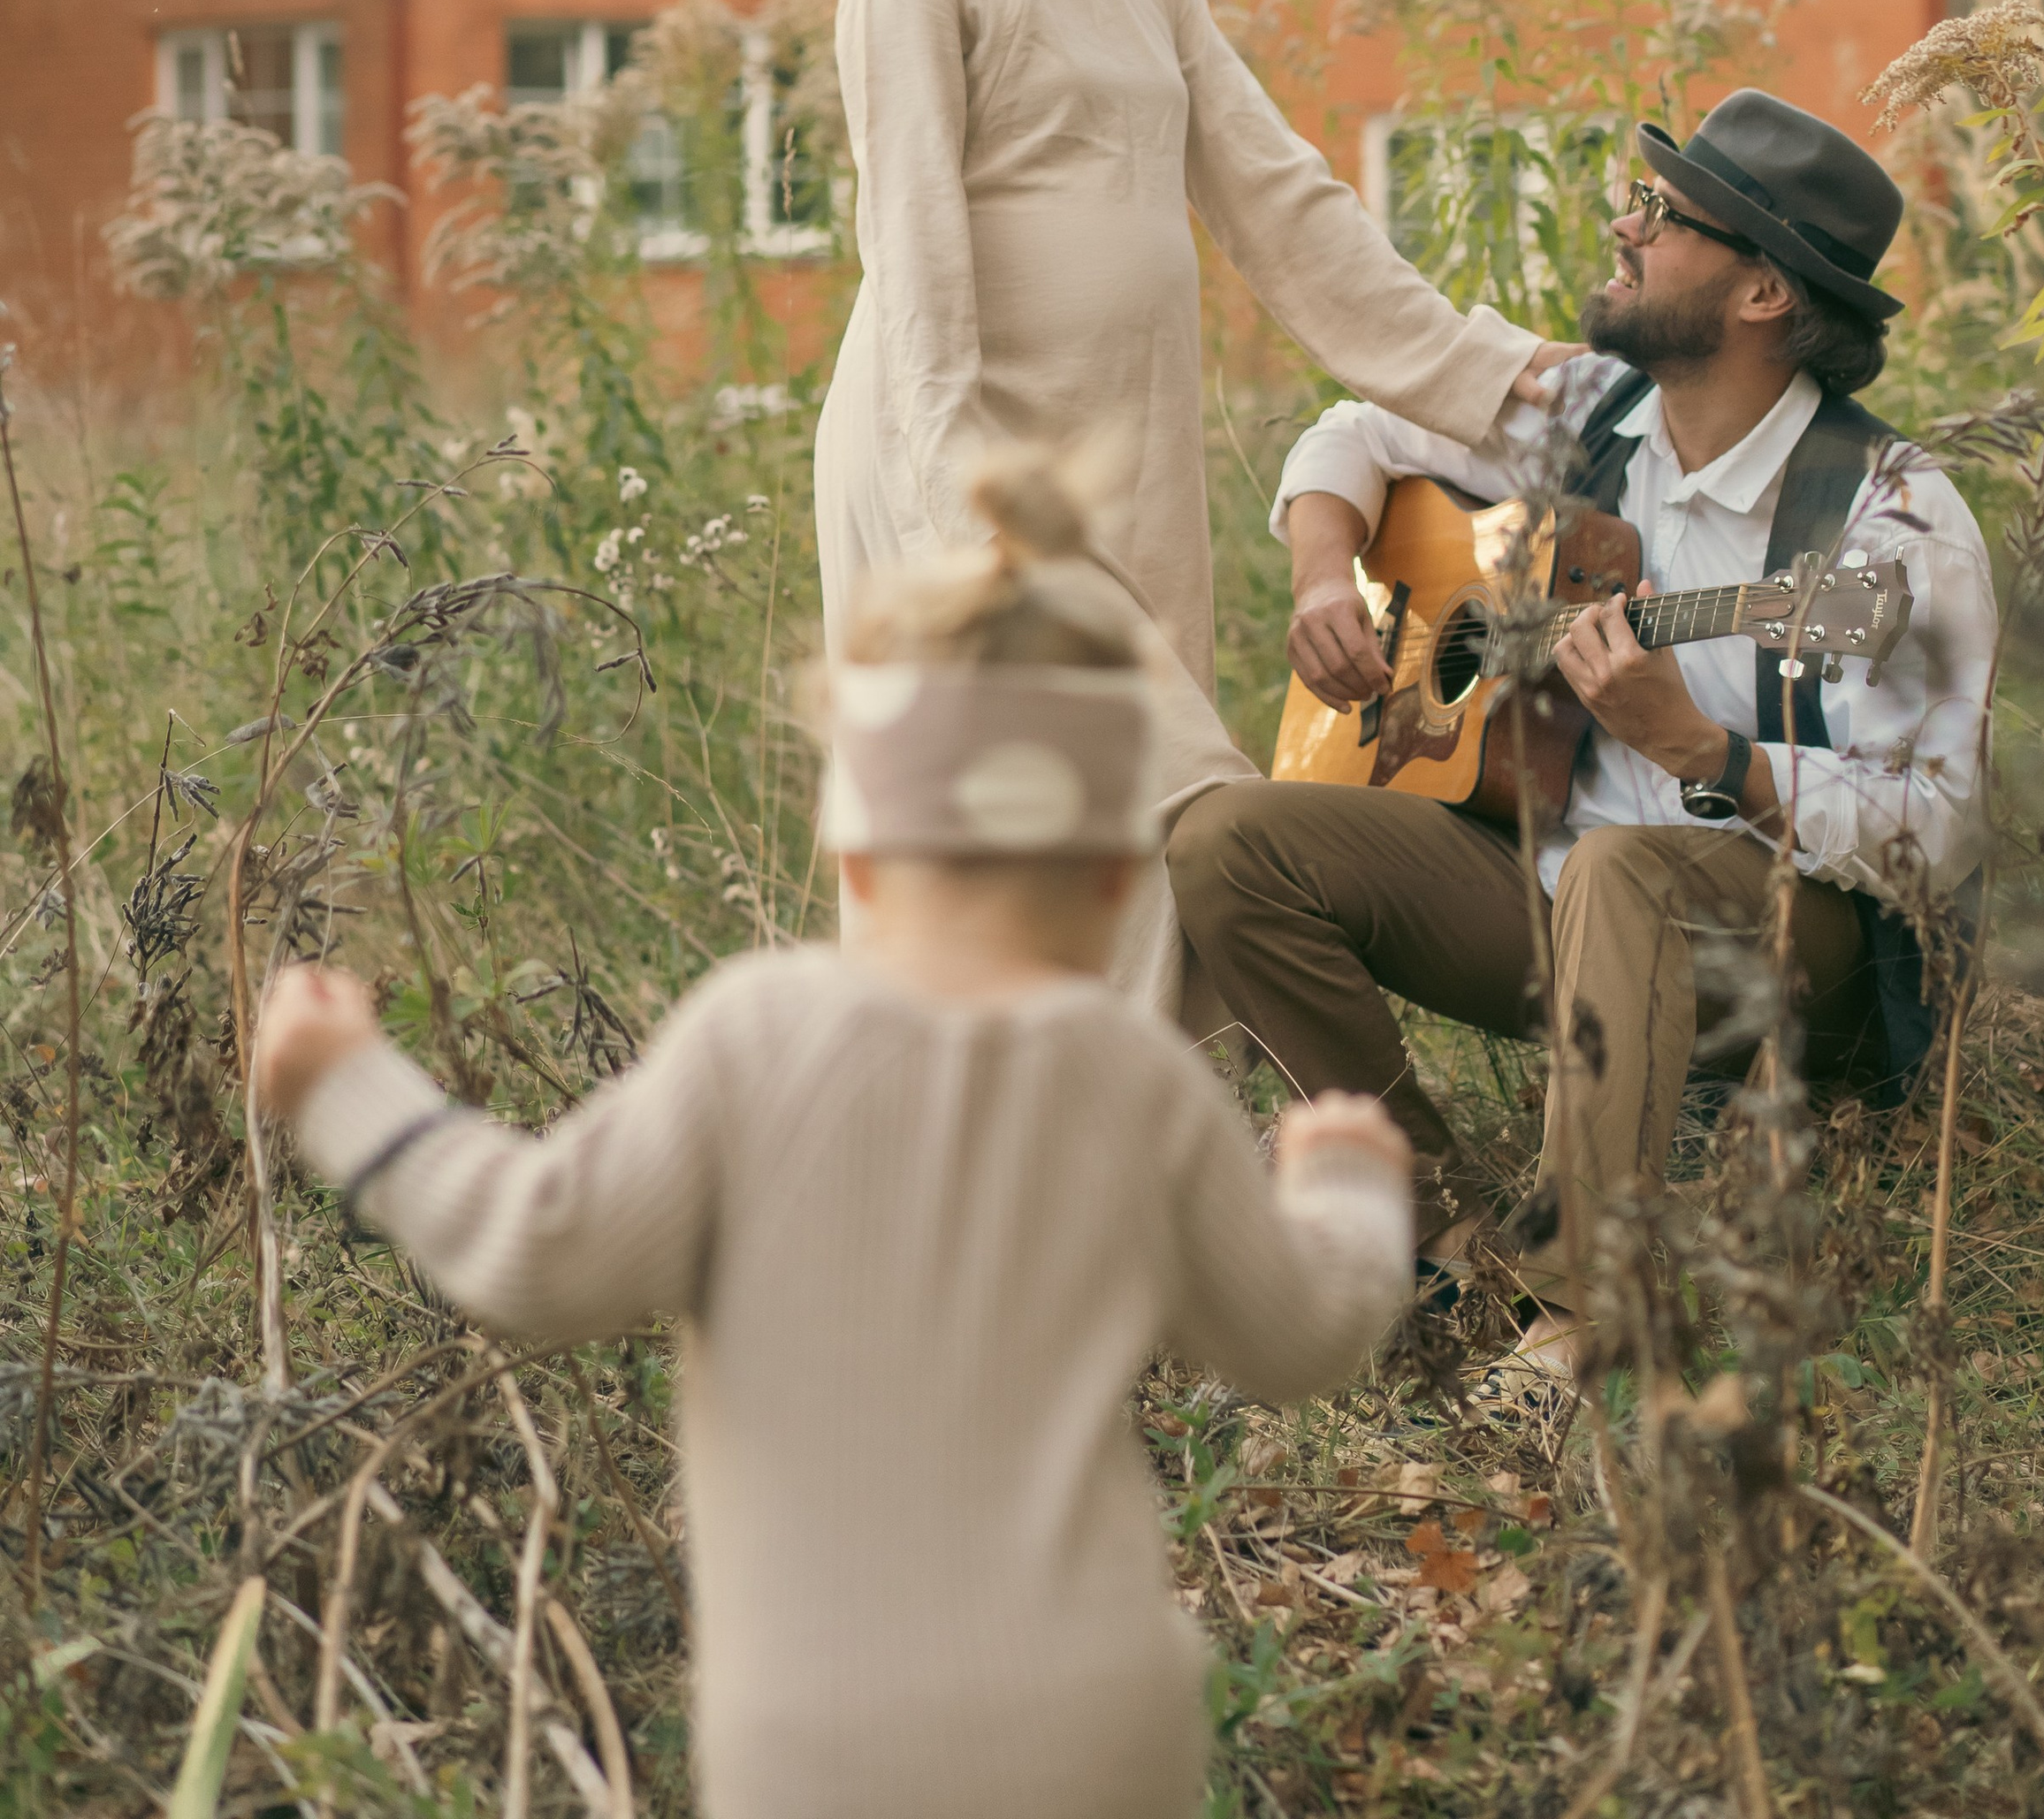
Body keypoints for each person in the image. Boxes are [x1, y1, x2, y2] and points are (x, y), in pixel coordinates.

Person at [257, 456, 1413, 1819]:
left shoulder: (756, 1037)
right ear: (1116, 871)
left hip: (820, 1741)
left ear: (851, 848)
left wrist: (350, 1089)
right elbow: (1298, 1340)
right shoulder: (1139, 1079)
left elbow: (533, 1254)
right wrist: (1346, 1190)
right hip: (1097, 1725)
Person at [1165, 90, 1997, 1372]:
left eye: (1662, 216)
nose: (1623, 223)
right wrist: (1329, 574)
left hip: (1784, 969)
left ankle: (1576, 1311)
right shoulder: (1589, 409)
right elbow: (1355, 426)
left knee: (1626, 868)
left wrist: (1714, 758)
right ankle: (1434, 1232)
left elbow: (1935, 834)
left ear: (1763, 293)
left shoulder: (1892, 522)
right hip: (1555, 906)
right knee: (1226, 841)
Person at [813, 0, 1537, 1006]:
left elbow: (1284, 202)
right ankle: (937, 1167)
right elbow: (909, 250)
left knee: (1131, 849)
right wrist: (972, 512)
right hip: (961, 462)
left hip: (1126, 466)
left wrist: (1497, 379)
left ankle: (1127, 1159)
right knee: (1028, 820)